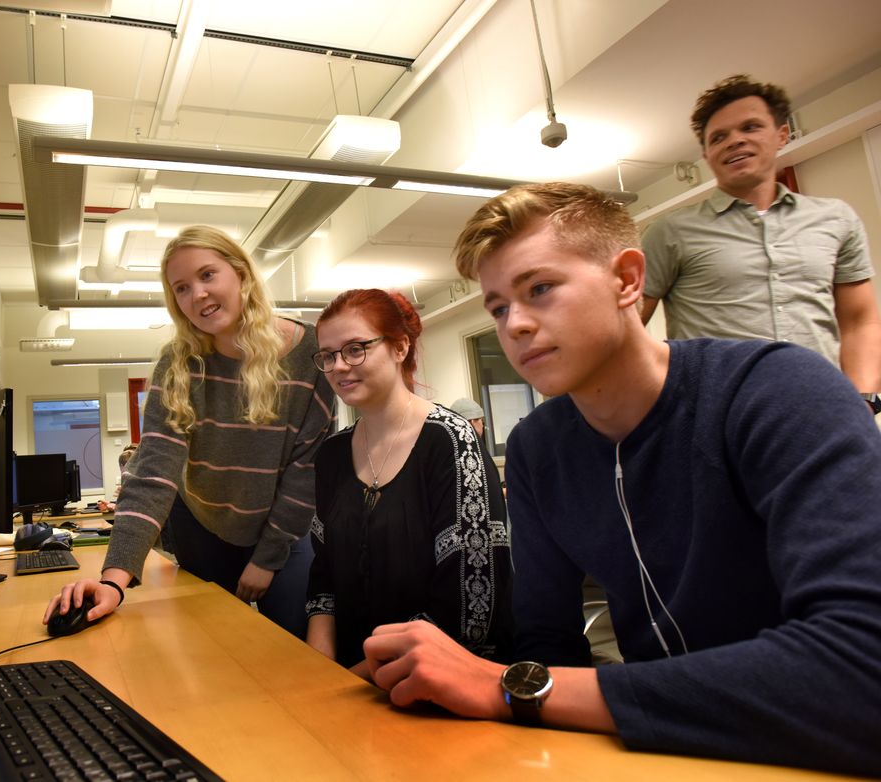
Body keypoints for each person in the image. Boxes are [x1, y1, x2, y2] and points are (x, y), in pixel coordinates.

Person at [362, 182, 881, 776]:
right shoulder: (539, 446)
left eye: (540, 289)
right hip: (655, 749)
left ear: (628, 280)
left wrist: (512, 688)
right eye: (499, 307)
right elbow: (547, 638)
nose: (516, 325)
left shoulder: (781, 392)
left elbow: (861, 669)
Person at [44, 225, 336, 637]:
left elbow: (304, 474)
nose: (196, 295)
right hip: (203, 524)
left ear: (241, 274)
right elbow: (152, 474)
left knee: (295, 646)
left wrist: (266, 559)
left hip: (282, 528)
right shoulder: (179, 364)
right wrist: (114, 579)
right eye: (180, 288)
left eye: (207, 275)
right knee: (213, 648)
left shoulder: (311, 355)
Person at [306, 290, 512, 679]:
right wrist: (320, 666)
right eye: (328, 356)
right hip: (349, 675)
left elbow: (471, 606)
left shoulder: (451, 442)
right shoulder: (333, 454)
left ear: (400, 347)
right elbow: (324, 572)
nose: (339, 367)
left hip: (436, 680)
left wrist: (358, 677)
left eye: (355, 349)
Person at [640, 74, 881, 401]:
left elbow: (860, 320)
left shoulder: (836, 218)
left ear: (782, 135)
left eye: (750, 127)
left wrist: (862, 401)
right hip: (716, 416)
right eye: (718, 137)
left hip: (821, 408)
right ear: (707, 155)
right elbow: (627, 328)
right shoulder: (670, 232)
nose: (734, 141)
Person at [449, 396, 503, 499]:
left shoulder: (453, 448)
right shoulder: (470, 451)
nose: (482, 426)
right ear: (473, 421)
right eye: (481, 421)